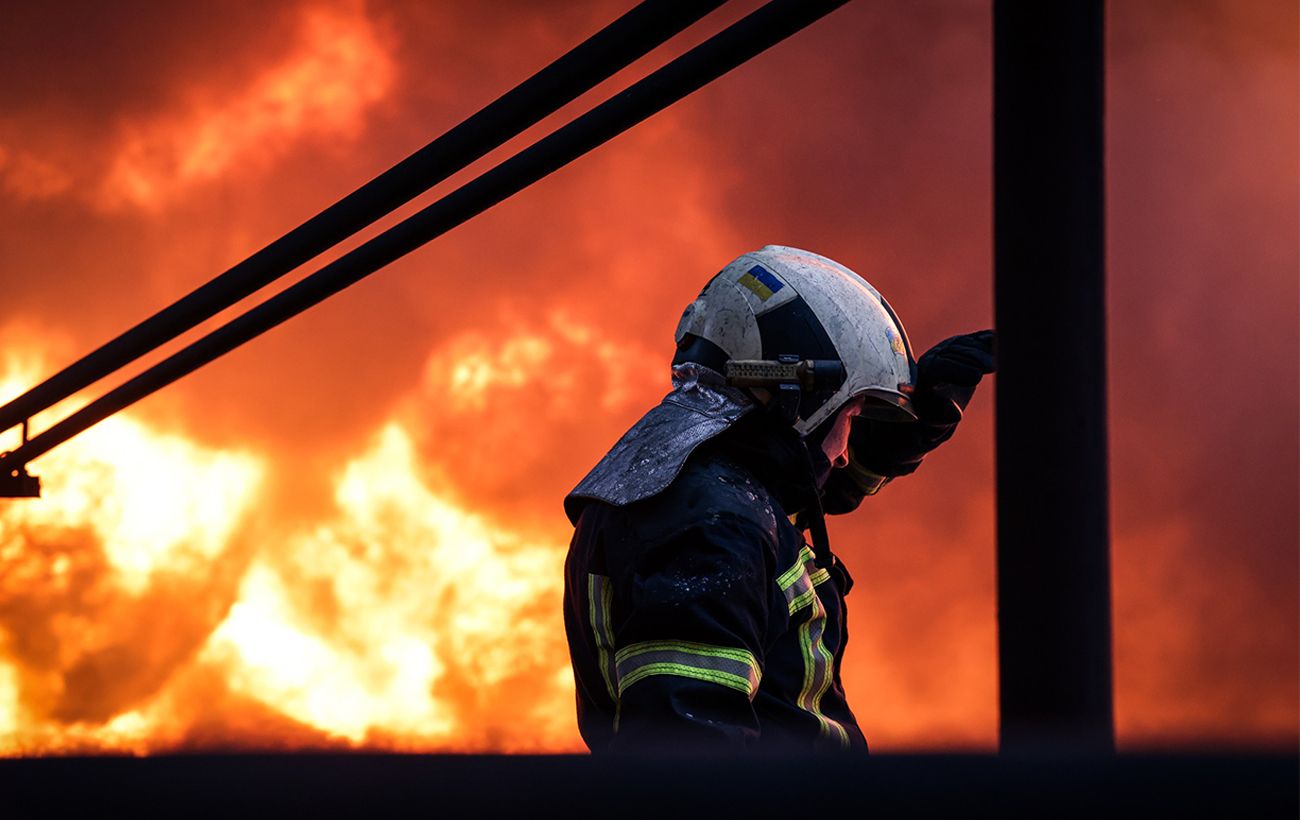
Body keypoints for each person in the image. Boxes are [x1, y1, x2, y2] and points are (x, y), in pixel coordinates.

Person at [562, 245, 994, 753]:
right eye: (851, 419)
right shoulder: (712, 529)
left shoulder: (692, 480)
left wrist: (891, 445)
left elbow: (791, 489)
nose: (842, 454)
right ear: (802, 399)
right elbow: (694, 763)